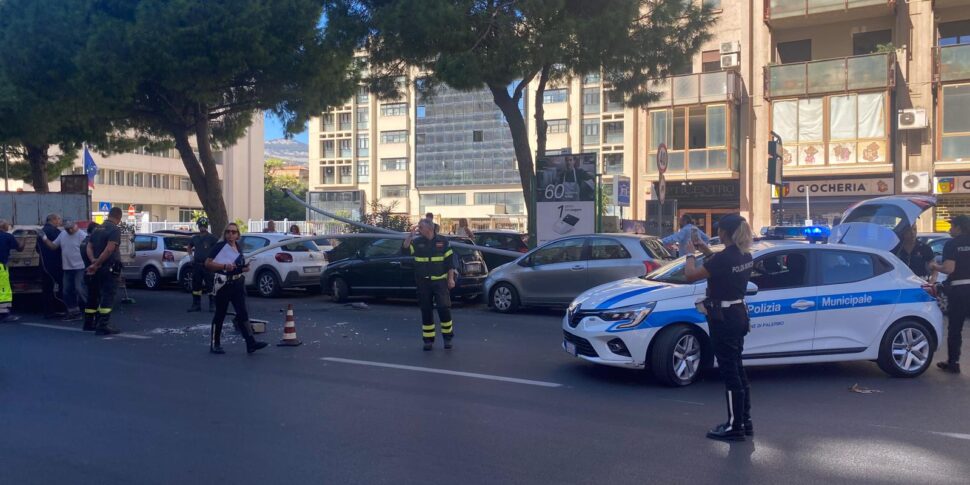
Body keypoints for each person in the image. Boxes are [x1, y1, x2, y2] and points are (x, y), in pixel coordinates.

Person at [683, 214, 755, 441]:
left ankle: (734, 427)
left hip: (723, 318)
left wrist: (689, 254)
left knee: (730, 371)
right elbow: (721, 265)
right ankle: (745, 421)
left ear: (725, 232)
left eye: (719, 229)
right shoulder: (744, 255)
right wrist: (705, 250)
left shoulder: (726, 258)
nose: (718, 232)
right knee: (737, 367)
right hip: (738, 314)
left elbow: (690, 276)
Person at [206, 222, 267, 354]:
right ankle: (214, 343)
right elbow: (208, 264)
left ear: (238, 235)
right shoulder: (219, 246)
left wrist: (243, 268)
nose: (230, 234)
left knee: (242, 313)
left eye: (233, 232)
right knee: (220, 314)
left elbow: (236, 266)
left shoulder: (238, 247)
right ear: (225, 234)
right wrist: (223, 267)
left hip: (237, 283)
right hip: (223, 284)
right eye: (228, 232)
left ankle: (251, 343)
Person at [402, 219, 456, 351]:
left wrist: (451, 279)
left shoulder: (443, 241)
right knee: (426, 310)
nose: (418, 229)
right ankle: (428, 340)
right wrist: (410, 235)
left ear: (429, 229)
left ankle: (447, 338)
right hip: (423, 283)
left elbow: (450, 263)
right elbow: (405, 249)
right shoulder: (417, 241)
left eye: (420, 227)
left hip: (440, 282)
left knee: (444, 309)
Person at [930, 215, 970, 374]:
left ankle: (953, 362)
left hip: (959, 289)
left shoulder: (952, 244)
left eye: (952, 225)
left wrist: (935, 266)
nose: (949, 228)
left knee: (955, 328)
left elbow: (949, 269)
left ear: (959, 227)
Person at [37, 218, 87, 321]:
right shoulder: (63, 234)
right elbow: (53, 246)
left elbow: (89, 248)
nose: (70, 231)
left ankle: (90, 309)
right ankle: (74, 312)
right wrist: (44, 238)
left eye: (71, 228)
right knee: (66, 291)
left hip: (80, 267)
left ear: (75, 225)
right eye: (67, 229)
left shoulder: (82, 235)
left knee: (79, 288)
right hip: (67, 267)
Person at [85, 207, 123, 334]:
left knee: (93, 295)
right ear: (119, 218)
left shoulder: (97, 229)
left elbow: (89, 246)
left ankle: (89, 323)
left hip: (96, 269)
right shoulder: (114, 230)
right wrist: (98, 263)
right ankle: (103, 326)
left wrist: (93, 262)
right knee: (107, 296)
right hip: (108, 268)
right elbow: (109, 249)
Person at [187, 217, 219, 312]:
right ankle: (196, 305)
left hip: (208, 266)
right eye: (201, 226)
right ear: (198, 226)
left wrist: (213, 259)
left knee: (210, 285)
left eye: (204, 226)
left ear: (207, 226)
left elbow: (218, 248)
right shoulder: (195, 238)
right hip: (197, 265)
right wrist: (190, 256)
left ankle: (212, 305)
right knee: (196, 286)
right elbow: (189, 247)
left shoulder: (212, 238)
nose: (202, 228)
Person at [38, 212, 66, 318]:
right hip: (54, 263)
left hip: (44, 263)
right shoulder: (54, 231)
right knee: (61, 286)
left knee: (47, 288)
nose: (60, 221)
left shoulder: (43, 231)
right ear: (53, 220)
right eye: (59, 219)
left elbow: (38, 249)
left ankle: (48, 311)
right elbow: (60, 245)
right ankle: (60, 308)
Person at [0, 220, 26, 321]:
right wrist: (24, 238)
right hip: (1, 267)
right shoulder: (7, 236)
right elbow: (19, 248)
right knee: (3, 291)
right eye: (7, 225)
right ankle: (4, 314)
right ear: (3, 227)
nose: (9, 227)